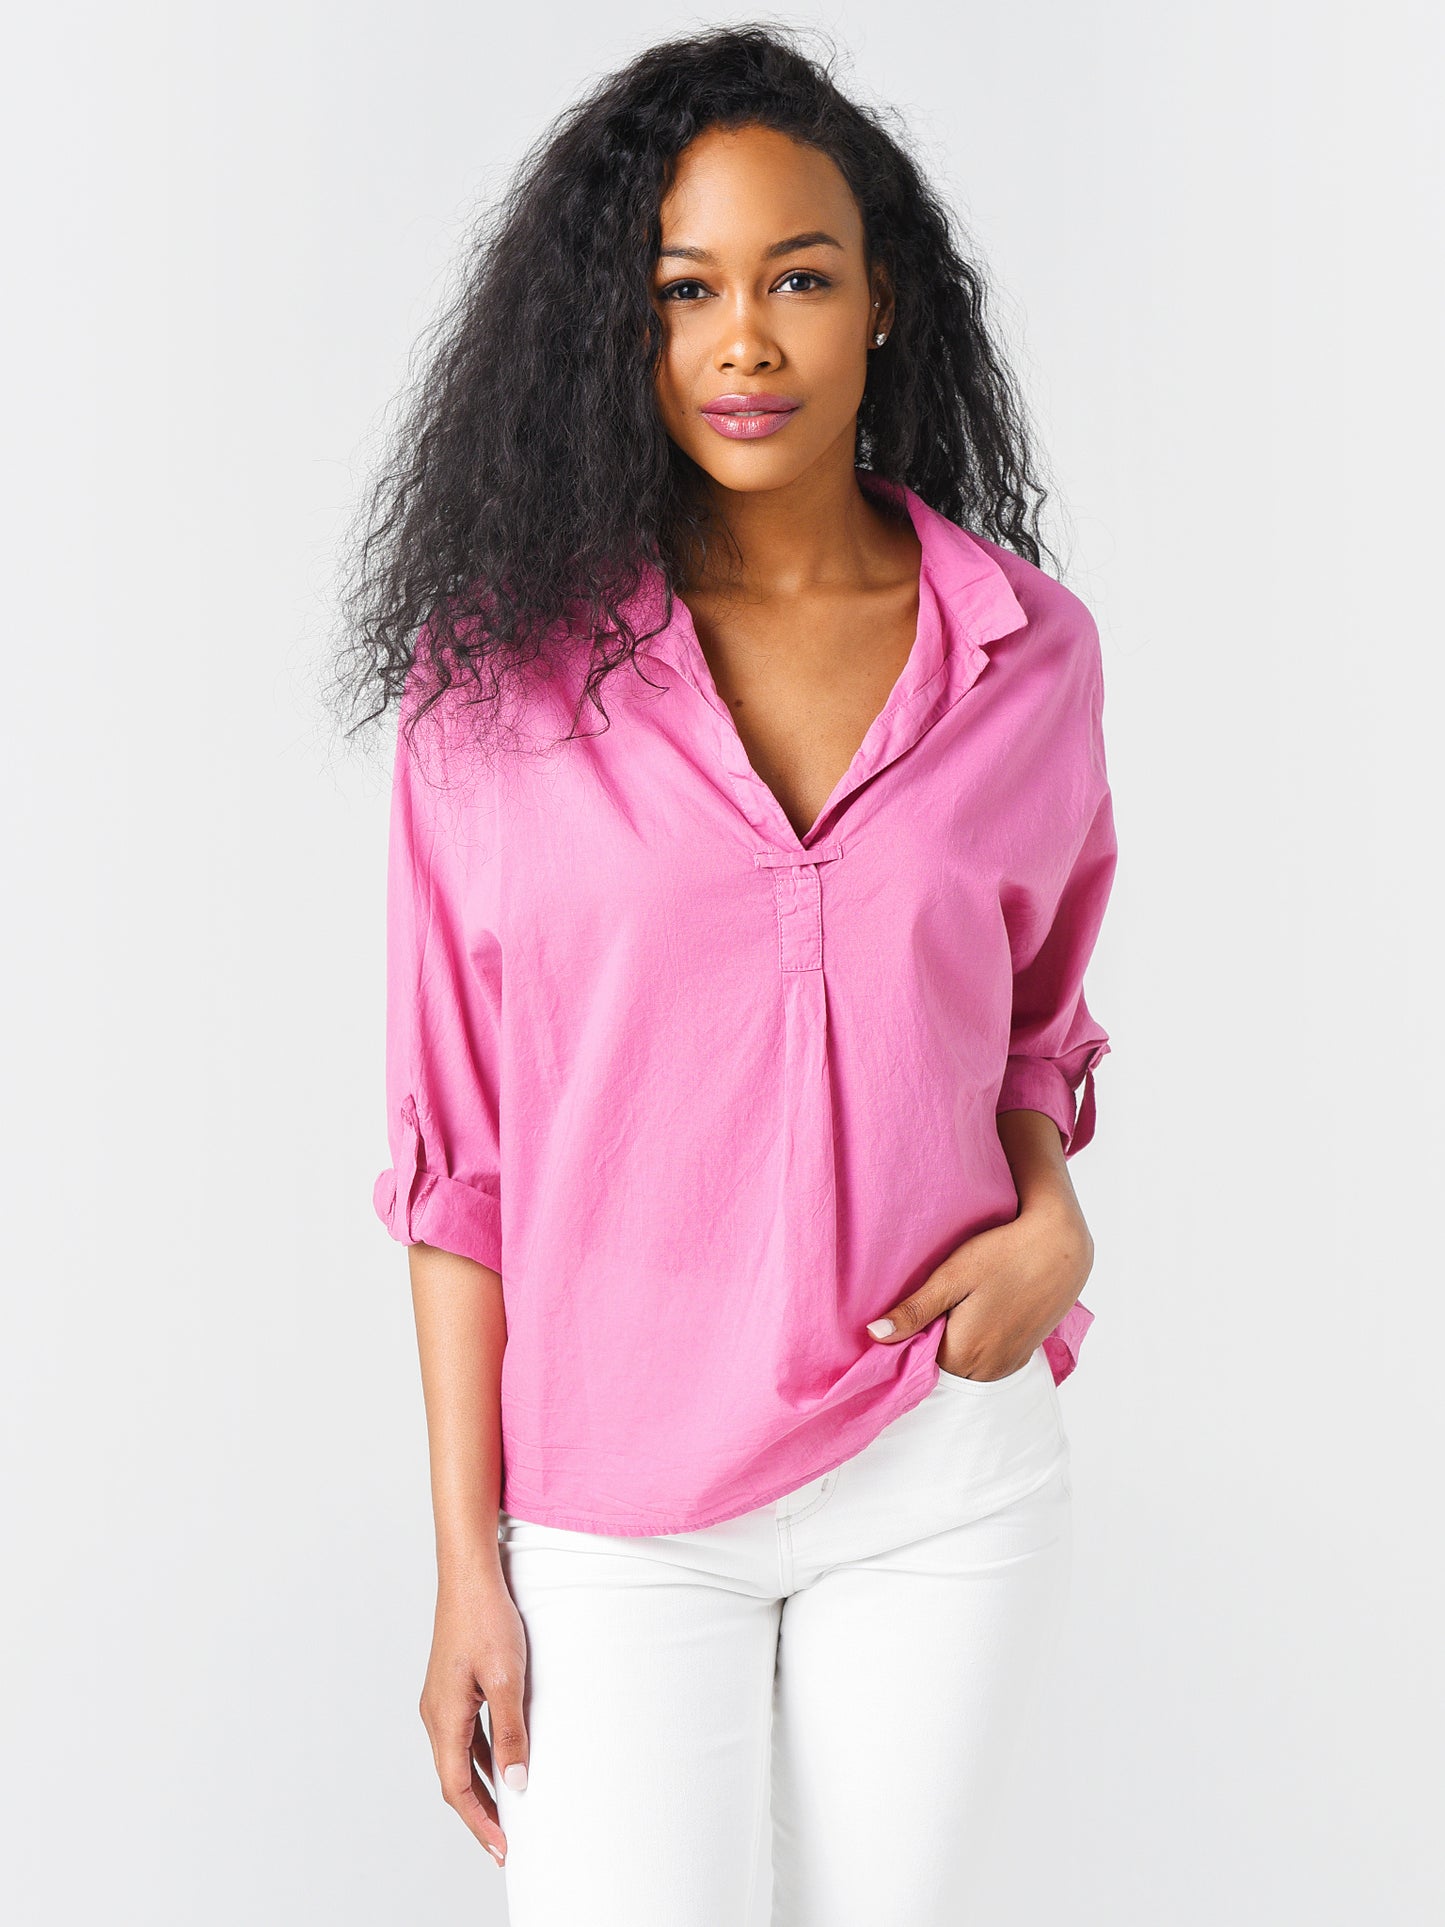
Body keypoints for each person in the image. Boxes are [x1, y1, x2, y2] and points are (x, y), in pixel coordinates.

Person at [337, 23, 1118, 1925]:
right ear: (617, 328)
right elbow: (460, 1162)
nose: (743, 341)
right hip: (614, 1504)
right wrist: (465, 1564)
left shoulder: (1025, 654)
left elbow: (1026, 1033)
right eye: (684, 290)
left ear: (884, 302)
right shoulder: (496, 678)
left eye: (798, 279)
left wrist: (1050, 1218)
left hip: (937, 1460)